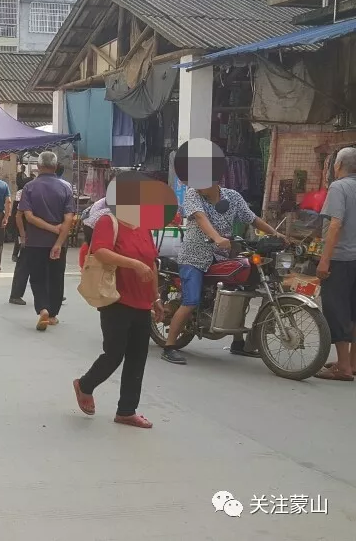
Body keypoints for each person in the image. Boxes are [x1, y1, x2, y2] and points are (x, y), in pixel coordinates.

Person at [162, 182, 288, 365]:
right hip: (194, 256)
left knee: (241, 292)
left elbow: (252, 219)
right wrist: (217, 238)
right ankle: (169, 346)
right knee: (191, 301)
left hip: (222, 256)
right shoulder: (193, 195)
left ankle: (238, 343)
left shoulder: (233, 196)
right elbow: (200, 218)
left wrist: (275, 234)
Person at [73, 212, 164, 430]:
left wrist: (156, 297)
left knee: (137, 358)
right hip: (116, 298)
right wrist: (134, 264)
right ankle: (85, 385)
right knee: (114, 354)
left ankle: (126, 411)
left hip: (142, 302)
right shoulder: (109, 221)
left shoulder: (143, 226)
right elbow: (100, 251)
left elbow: (151, 264)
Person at [19, 152, 75, 330]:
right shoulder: (66, 187)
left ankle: (42, 308)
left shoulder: (29, 187)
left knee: (37, 278)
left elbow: (28, 216)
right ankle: (52, 315)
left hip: (35, 241)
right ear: (56, 166)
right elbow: (69, 219)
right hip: (59, 242)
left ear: (38, 166)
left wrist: (49, 228)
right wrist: (58, 240)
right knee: (56, 277)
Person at [316, 147, 356, 381]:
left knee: (337, 310)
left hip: (341, 259)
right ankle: (352, 362)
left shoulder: (338, 187)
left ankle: (343, 367)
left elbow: (335, 225)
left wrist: (324, 260)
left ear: (339, 165)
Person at [9, 189, 30, 306]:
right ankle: (15, 295)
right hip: (29, 235)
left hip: (35, 234)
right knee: (23, 265)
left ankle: (54, 293)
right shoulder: (27, 193)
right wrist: (22, 235)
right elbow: (18, 216)